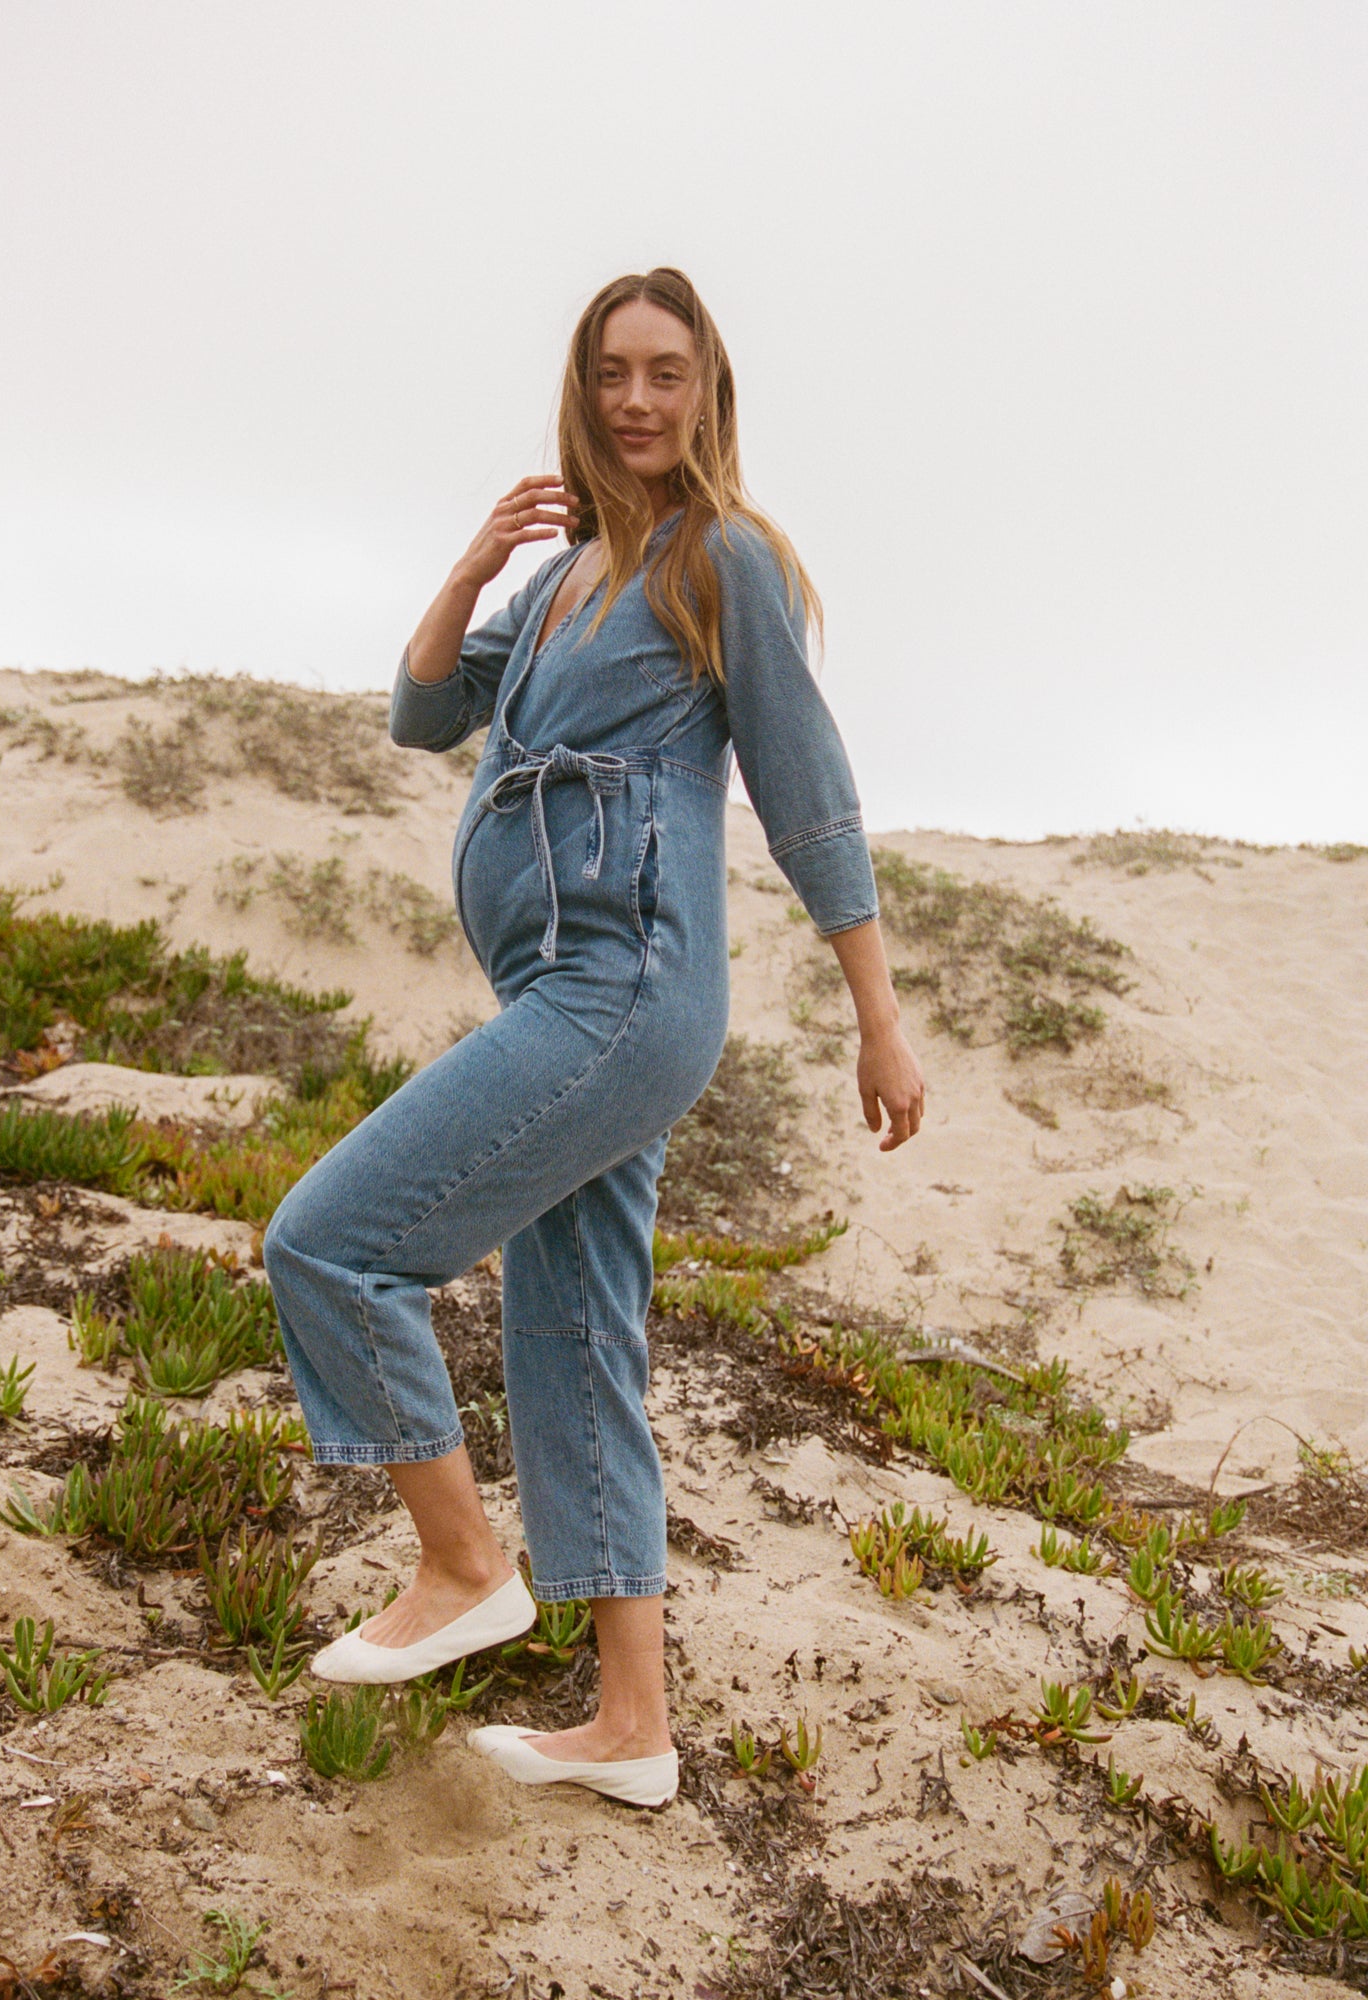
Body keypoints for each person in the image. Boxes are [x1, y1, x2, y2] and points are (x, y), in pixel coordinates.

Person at [262, 267, 925, 1809]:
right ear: (582, 389)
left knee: (332, 1244)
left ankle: (461, 1568)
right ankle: (633, 1727)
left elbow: (809, 790)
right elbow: (423, 714)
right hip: (567, 994)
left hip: (621, 991)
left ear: (708, 393)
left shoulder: (724, 560)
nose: (637, 400)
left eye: (665, 373)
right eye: (613, 372)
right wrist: (473, 563)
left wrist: (877, 1019)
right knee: (576, 1339)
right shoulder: (564, 578)